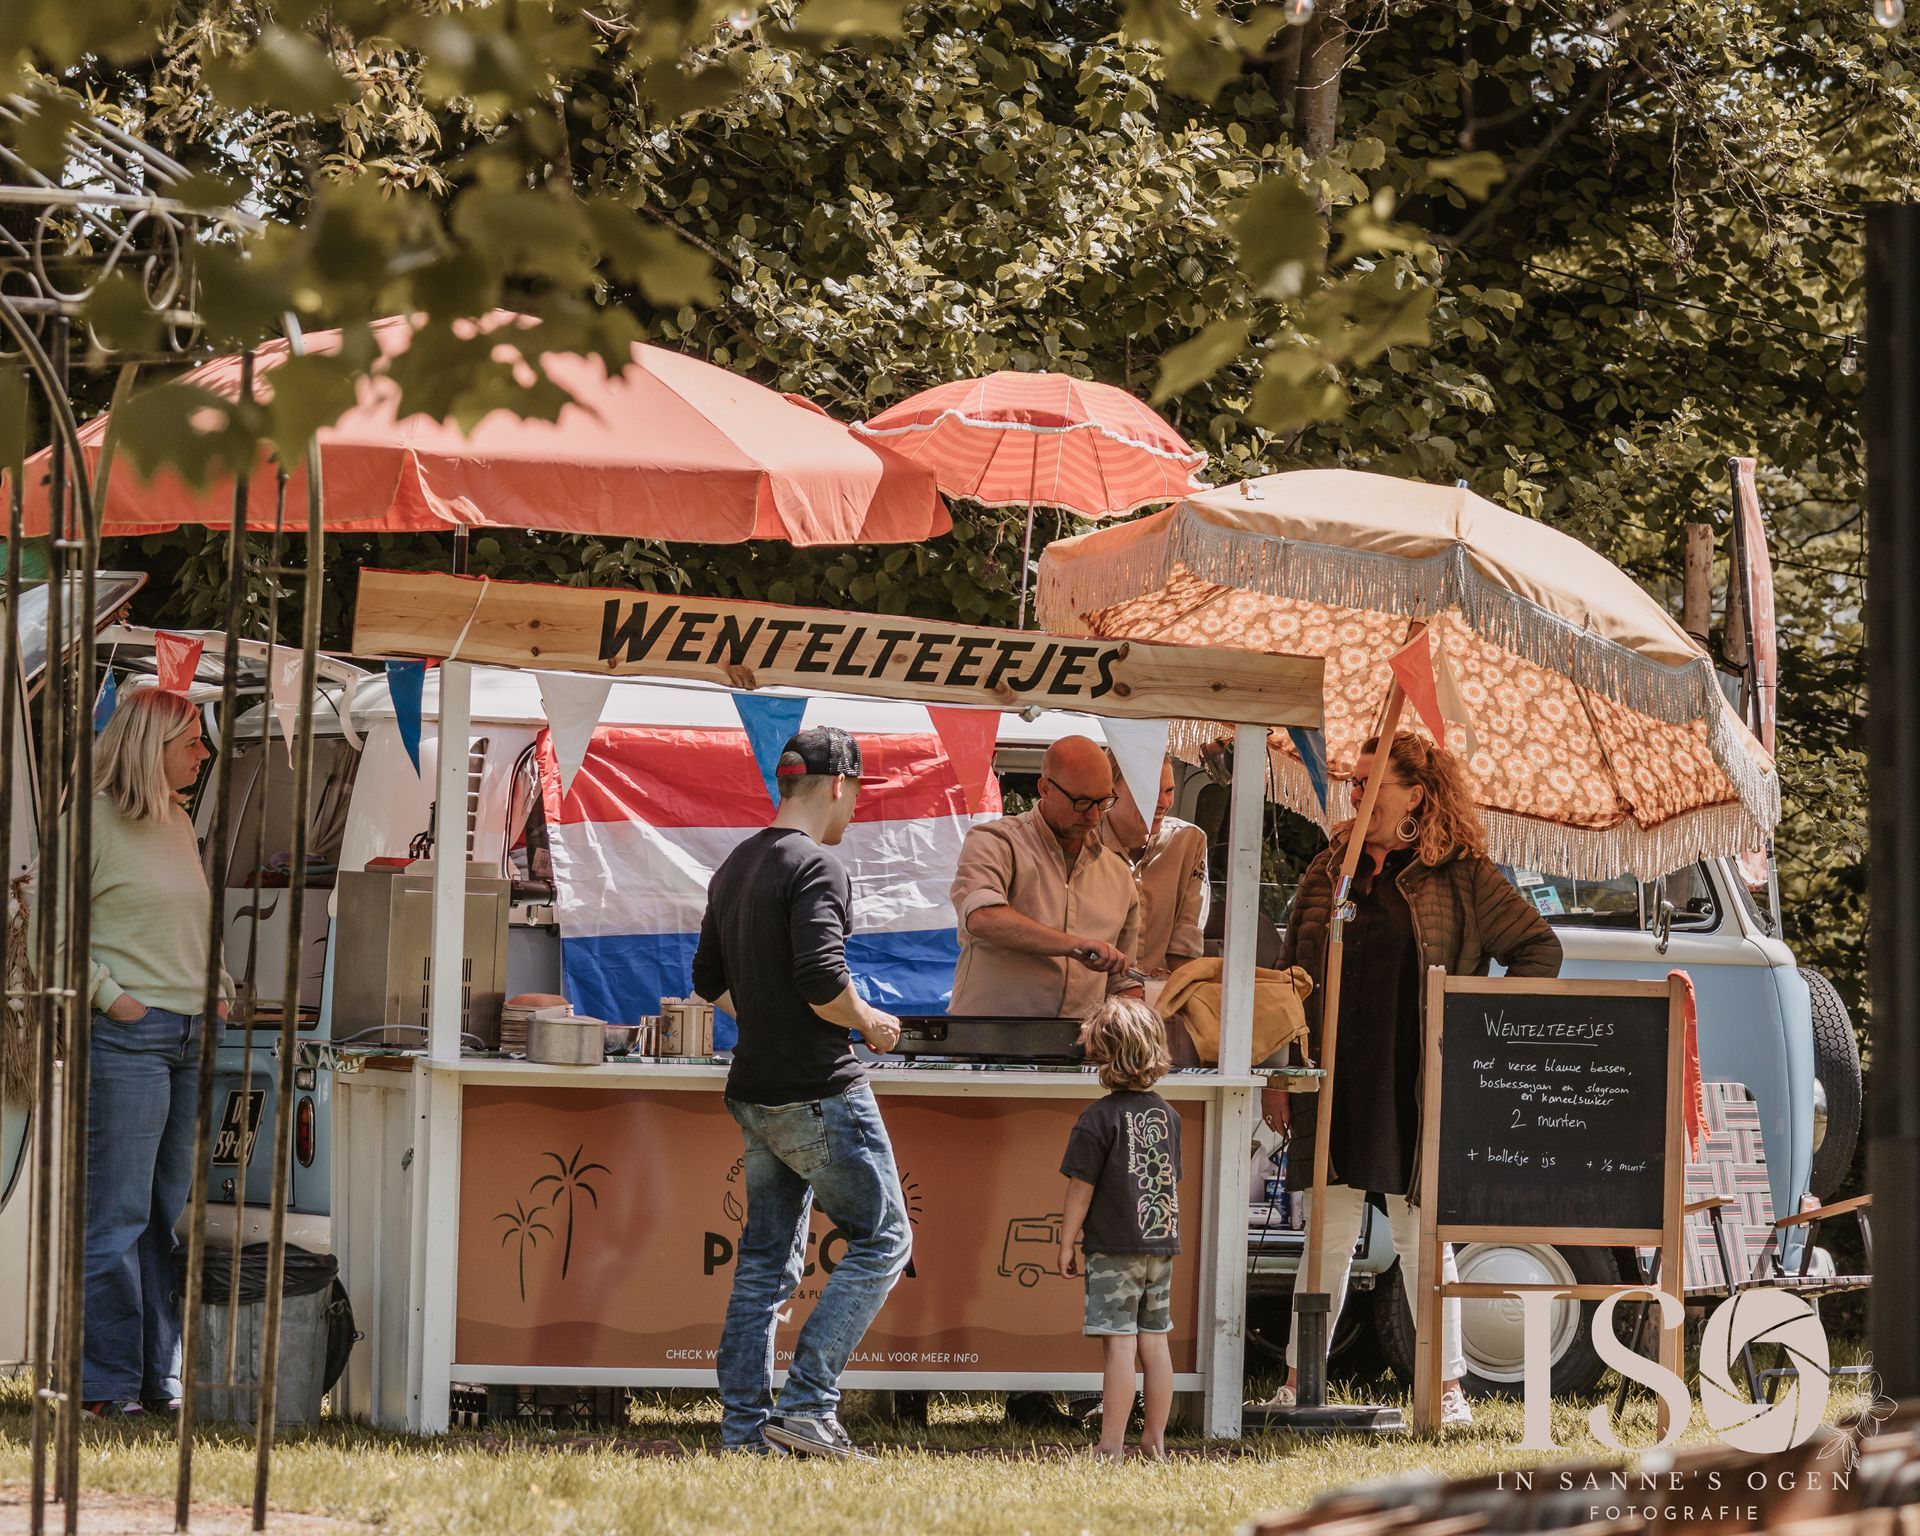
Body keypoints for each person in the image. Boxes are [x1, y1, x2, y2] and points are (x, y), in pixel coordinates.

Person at [1264, 732, 1561, 1426]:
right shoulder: (1330, 868)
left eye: (1372, 782)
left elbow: (1538, 949)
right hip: (1333, 1078)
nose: (1357, 793)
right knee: (1325, 1238)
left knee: (1423, 1240)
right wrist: (1281, 1070)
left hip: (1416, 1083)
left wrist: (1477, 1034)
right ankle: (1298, 1384)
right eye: (1354, 781)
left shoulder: (1460, 875)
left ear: (1417, 794)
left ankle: (1446, 1392)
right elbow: (1286, 978)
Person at [692, 725, 912, 1459]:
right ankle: (809, 1408)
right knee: (884, 1239)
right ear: (838, 785)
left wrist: (767, 1017)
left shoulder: (736, 864)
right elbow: (822, 981)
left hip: (755, 1089)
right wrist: (870, 1021)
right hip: (820, 1089)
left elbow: (708, 981)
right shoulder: (816, 865)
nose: (856, 809)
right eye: (857, 795)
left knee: (764, 1261)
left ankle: (744, 1434)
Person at [68, 686, 229, 1417]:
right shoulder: (88, 824)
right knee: (116, 1217)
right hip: (128, 1038)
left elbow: (194, 925)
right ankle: (103, 1387)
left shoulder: (179, 822)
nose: (204, 752)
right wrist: (112, 999)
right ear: (148, 748)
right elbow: (51, 936)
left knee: (162, 1217)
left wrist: (217, 988)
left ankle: (154, 1381)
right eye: (191, 741)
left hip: (192, 1034)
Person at [1058, 997, 1183, 1461]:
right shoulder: (1168, 1115)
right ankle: (1154, 1442)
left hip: (1114, 1247)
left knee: (1120, 1348)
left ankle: (1110, 1445)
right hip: (1160, 1245)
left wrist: (1066, 1242)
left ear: (1102, 1056)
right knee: (1156, 1343)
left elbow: (1081, 1188)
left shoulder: (1097, 1117)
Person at [949, 735, 1142, 1018]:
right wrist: (1075, 946)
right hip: (990, 1035)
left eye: (1103, 801)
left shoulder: (1119, 874)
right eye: (1081, 802)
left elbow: (1122, 979)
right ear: (1045, 788)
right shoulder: (995, 841)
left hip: (1080, 1037)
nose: (1093, 816)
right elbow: (983, 917)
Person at [1099, 756, 1207, 976]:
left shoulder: (1188, 841)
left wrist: (1177, 992)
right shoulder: (1085, 843)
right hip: (1093, 991)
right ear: (1110, 790)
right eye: (1149, 791)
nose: (1164, 802)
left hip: (1158, 992)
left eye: (1169, 790)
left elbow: (1185, 938)